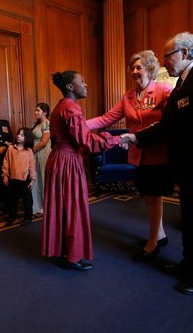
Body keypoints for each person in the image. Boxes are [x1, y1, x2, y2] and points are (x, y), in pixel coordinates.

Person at [122, 32, 193, 295]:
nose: (164, 63)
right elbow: (166, 125)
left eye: (167, 56)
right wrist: (136, 137)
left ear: (184, 54)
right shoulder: (180, 86)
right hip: (187, 170)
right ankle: (190, 263)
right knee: (191, 220)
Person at [86, 50, 173, 261]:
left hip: (158, 153)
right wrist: (78, 125)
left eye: (138, 67)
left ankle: (153, 242)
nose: (134, 71)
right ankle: (159, 235)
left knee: (153, 196)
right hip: (138, 155)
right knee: (148, 196)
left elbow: (171, 121)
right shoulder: (128, 96)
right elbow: (106, 118)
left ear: (150, 68)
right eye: (132, 68)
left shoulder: (164, 89)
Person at [42, 71, 122, 271]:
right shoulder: (71, 108)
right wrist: (116, 139)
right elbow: (86, 141)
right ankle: (72, 257)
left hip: (58, 160)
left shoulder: (61, 106)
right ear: (70, 86)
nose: (86, 85)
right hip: (68, 162)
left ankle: (63, 251)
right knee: (73, 208)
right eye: (81, 82)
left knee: (62, 208)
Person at [2, 127, 36, 226]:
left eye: (22, 135)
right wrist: (5, 175)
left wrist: (32, 179)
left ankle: (28, 217)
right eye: (18, 134)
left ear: (27, 138)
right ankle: (12, 217)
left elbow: (32, 165)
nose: (18, 136)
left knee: (27, 200)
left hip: (25, 179)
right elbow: (6, 162)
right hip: (12, 178)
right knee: (12, 200)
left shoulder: (29, 151)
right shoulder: (11, 148)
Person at [31, 103, 52, 215]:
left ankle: (47, 206)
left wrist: (31, 151)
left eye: (38, 111)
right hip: (35, 154)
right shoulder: (36, 124)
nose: (36, 112)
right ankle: (37, 206)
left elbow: (43, 142)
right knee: (36, 178)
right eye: (35, 110)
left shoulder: (47, 124)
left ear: (45, 112)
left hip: (44, 153)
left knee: (44, 178)